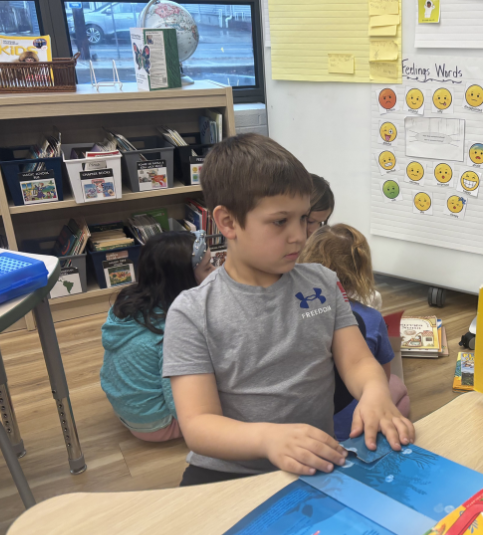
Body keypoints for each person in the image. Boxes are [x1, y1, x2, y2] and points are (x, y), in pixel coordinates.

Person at [163, 134, 413, 486]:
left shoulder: (323, 283)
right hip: (226, 475)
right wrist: (268, 439)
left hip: (314, 464)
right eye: (280, 222)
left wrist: (374, 392)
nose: (299, 236)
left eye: (304, 219)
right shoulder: (192, 313)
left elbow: (357, 362)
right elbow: (199, 424)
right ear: (229, 222)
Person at [298, 223, 410, 440]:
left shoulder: (296, 312)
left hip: (306, 431)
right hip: (357, 429)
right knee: (399, 387)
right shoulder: (372, 318)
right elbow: (383, 379)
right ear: (362, 268)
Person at [100, 230, 214, 442]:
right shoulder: (174, 329)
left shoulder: (130, 303)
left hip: (128, 409)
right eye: (208, 267)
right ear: (184, 279)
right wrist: (201, 427)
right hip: (154, 424)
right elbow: (177, 394)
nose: (216, 272)